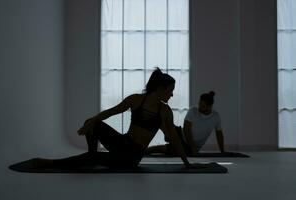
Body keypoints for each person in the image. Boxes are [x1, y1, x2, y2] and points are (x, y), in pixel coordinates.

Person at [35, 68, 193, 169]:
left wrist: (187, 164)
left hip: (132, 156)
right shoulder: (136, 100)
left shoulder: (164, 111)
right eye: (170, 90)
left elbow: (174, 138)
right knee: (92, 123)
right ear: (160, 89)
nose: (172, 94)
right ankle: (92, 159)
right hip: (123, 143)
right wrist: (90, 122)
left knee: (94, 156)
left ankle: (51, 163)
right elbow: (110, 112)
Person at [146, 91, 225, 156]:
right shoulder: (193, 110)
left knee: (171, 150)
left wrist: (222, 151)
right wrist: (193, 147)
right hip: (180, 134)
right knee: (162, 122)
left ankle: (148, 150)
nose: (199, 107)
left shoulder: (215, 117)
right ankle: (143, 144)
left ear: (210, 106)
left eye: (202, 105)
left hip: (187, 147)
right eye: (199, 104)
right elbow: (187, 130)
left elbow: (219, 134)